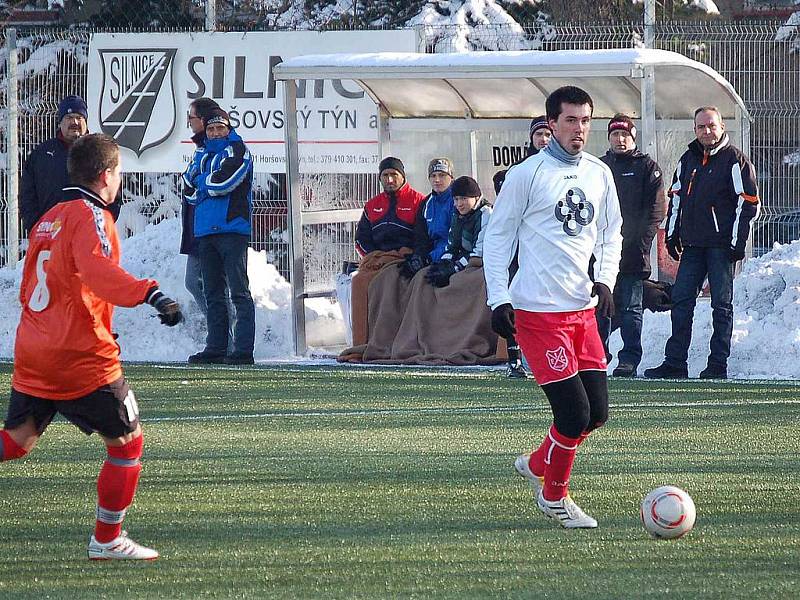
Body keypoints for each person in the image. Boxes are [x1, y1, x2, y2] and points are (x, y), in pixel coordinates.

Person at [1, 133, 183, 560]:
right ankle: (107, 540)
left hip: (34, 349)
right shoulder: (92, 216)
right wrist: (149, 292)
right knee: (127, 445)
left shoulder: (50, 217)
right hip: (79, 356)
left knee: (17, 440)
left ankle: (108, 539)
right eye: (118, 172)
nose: (119, 179)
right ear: (106, 175)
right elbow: (97, 271)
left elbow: (32, 286)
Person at [483, 86, 622, 528]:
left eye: (585, 121)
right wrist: (498, 297)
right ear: (551, 124)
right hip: (538, 314)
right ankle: (553, 497)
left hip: (581, 310)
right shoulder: (527, 175)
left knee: (596, 414)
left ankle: (540, 462)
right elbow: (498, 238)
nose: (579, 129)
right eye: (570, 121)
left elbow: (610, 233)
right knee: (573, 413)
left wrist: (606, 280)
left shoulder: (600, 173)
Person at [645, 107, 760, 380]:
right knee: (682, 301)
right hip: (693, 247)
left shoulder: (736, 161)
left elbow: (749, 203)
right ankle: (675, 362)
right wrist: (673, 235)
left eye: (711, 126)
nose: (706, 131)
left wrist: (736, 242)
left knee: (721, 305)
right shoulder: (688, 159)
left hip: (721, 247)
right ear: (695, 129)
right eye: (701, 127)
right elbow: (676, 199)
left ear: (721, 127)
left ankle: (717, 364)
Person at [185, 108, 256, 365]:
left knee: (238, 290)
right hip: (205, 231)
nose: (215, 133)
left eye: (220, 128)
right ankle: (216, 346)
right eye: (212, 129)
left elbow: (223, 184)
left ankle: (243, 349)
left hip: (232, 229)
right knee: (212, 292)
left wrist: (203, 183)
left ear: (229, 128)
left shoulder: (238, 150)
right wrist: (204, 184)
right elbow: (188, 188)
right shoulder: (201, 153)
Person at [597, 114, 665, 377]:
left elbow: (656, 210)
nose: (620, 139)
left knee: (631, 307)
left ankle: (629, 359)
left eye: (624, 134)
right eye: (615, 134)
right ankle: (598, 356)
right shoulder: (599, 167)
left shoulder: (647, 167)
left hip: (633, 253)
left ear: (633, 138)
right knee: (599, 306)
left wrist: (641, 242)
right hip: (601, 252)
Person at [346, 157, 426, 348]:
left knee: (391, 282)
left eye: (394, 175)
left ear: (403, 176)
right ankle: (361, 344)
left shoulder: (419, 201)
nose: (390, 180)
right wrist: (375, 257)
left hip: (406, 261)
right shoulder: (372, 205)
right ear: (380, 178)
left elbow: (423, 238)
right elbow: (361, 240)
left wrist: (413, 256)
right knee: (359, 281)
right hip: (377, 261)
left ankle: (392, 343)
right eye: (385, 176)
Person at [19, 95, 92, 232]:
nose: (74, 122)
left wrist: (100, 225)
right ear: (59, 122)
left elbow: (113, 193)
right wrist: (37, 227)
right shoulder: (41, 154)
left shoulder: (98, 152)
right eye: (69, 118)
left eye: (79, 117)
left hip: (88, 234)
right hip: (50, 234)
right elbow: (27, 196)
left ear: (86, 121)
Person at [181, 97, 220, 314]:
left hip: (210, 228)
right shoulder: (201, 148)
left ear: (203, 120)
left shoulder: (216, 149)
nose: (189, 122)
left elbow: (207, 185)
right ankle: (220, 335)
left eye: (191, 117)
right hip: (197, 227)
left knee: (206, 285)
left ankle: (225, 336)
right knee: (196, 283)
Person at [400, 157, 455, 279]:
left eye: (442, 175)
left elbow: (455, 239)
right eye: (433, 176)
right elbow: (421, 237)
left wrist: (429, 258)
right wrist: (419, 257)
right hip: (432, 255)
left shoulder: (458, 200)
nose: (437, 180)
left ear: (451, 178)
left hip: (452, 256)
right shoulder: (426, 203)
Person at [492, 115, 551, 195]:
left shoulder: (563, 165)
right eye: (538, 134)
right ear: (531, 137)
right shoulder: (519, 167)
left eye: (548, 135)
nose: (543, 139)